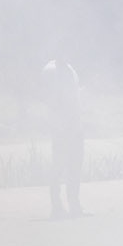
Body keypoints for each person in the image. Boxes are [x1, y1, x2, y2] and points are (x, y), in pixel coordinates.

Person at [41, 56, 83, 217]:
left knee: (75, 165)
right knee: (59, 166)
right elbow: (50, 99)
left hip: (75, 126)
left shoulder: (70, 69)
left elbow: (74, 97)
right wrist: (59, 123)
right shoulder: (51, 71)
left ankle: (74, 204)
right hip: (61, 127)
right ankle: (57, 206)